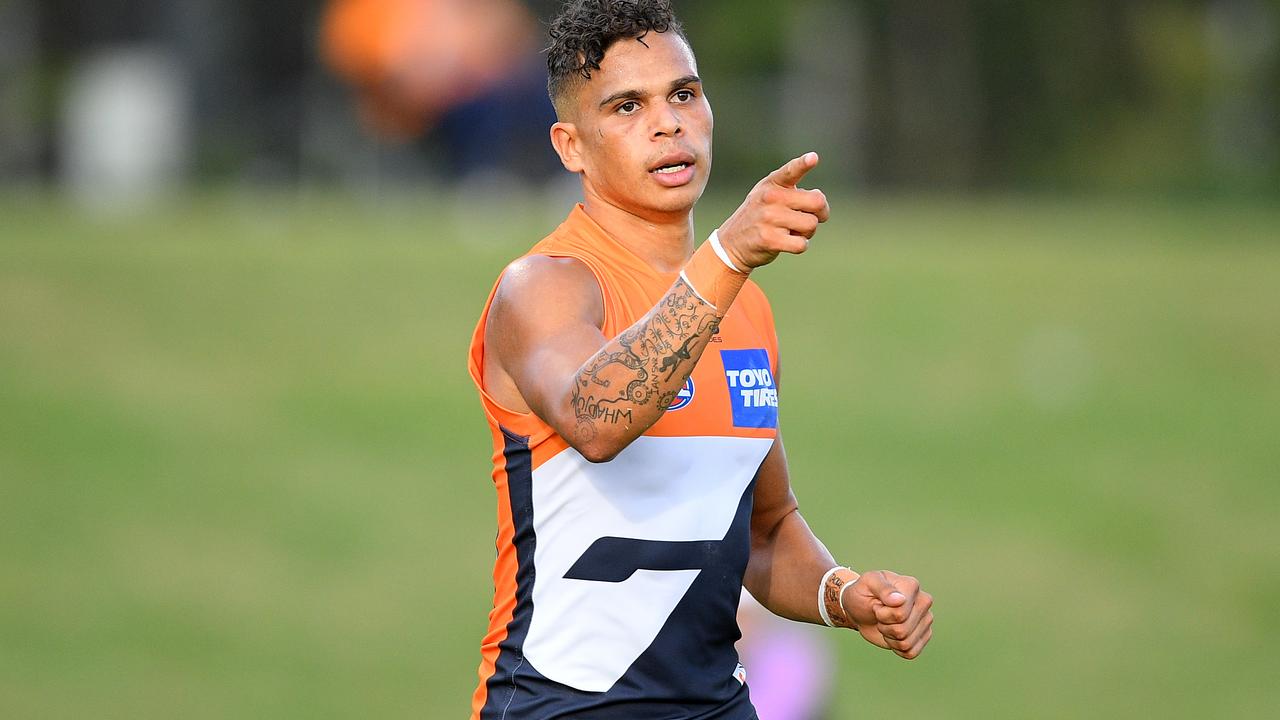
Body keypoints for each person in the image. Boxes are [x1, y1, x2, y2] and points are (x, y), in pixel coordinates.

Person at [466, 1, 933, 717]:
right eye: (627, 106)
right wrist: (726, 256)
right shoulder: (544, 286)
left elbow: (765, 529)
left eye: (683, 93)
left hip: (716, 703)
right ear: (571, 146)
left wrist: (844, 594)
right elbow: (597, 417)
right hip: (562, 704)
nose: (667, 122)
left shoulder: (745, 310)